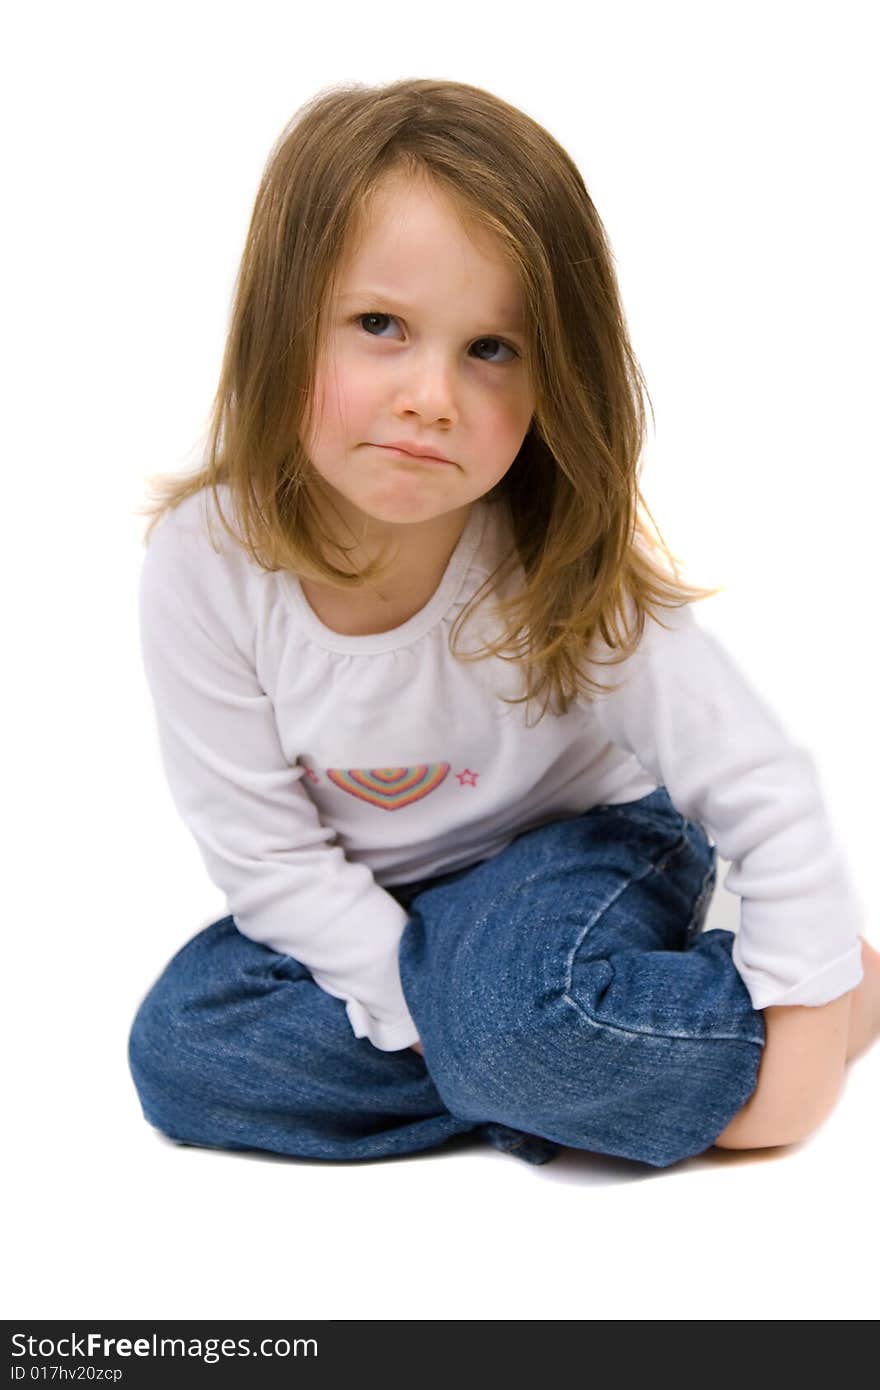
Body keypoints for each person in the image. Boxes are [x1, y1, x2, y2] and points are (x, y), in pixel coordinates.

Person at [127, 77, 880, 1170]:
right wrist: (445, 1019)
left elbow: (761, 780)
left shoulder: (544, 559)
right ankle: (564, 1059)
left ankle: (823, 994)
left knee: (519, 1016)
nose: (431, 393)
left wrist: (810, 1011)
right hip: (388, 901)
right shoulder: (205, 562)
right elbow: (267, 853)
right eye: (379, 325)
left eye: (490, 350)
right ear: (282, 329)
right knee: (187, 1047)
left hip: (582, 850)